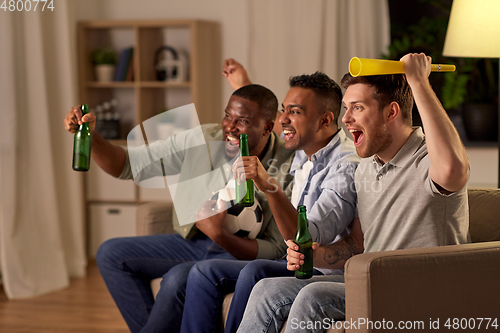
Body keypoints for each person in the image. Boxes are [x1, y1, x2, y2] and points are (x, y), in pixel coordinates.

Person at [236, 53, 470, 333]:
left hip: (423, 287)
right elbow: (357, 246)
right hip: (373, 282)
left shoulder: (426, 160)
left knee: (313, 298)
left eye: (356, 108)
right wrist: (313, 254)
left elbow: (454, 168)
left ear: (391, 112)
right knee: (266, 290)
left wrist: (418, 81)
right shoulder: (365, 169)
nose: (345, 119)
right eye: (346, 108)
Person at [64, 83, 295, 333]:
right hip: (193, 241)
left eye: (243, 121)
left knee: (176, 279)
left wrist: (221, 235)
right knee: (111, 253)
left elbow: (275, 249)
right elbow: (128, 164)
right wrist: (92, 136)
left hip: (237, 256)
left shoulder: (288, 166)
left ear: (268, 127)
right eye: (228, 115)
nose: (229, 126)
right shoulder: (202, 139)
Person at [179, 67, 360, 333]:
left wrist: (269, 186)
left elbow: (306, 236)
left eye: (294, 112)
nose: (283, 120)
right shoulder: (303, 150)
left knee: (252, 272)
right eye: (284, 110)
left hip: (319, 269)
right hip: (291, 260)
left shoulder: (345, 166)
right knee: (205, 272)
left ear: (325, 120)